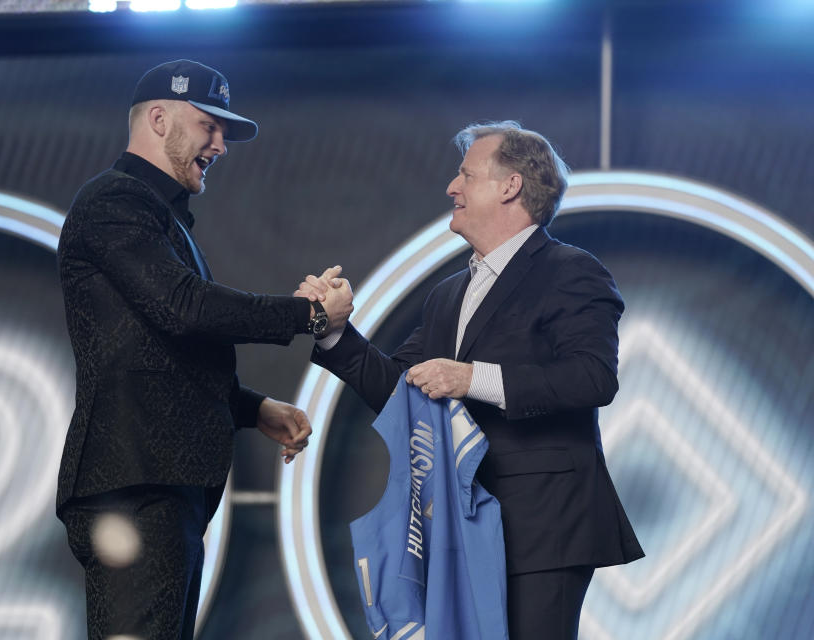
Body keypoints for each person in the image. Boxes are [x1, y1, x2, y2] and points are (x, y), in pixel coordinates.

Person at [297, 121, 644, 640]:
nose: (450, 188)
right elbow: (399, 391)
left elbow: (592, 378)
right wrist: (333, 331)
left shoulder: (572, 271)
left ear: (511, 186)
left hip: (543, 528)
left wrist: (471, 378)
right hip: (455, 528)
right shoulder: (448, 293)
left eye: (465, 174)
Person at [55, 59, 350, 640]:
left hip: (161, 488)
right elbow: (186, 309)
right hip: (137, 486)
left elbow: (158, 350)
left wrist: (252, 408)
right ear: (159, 119)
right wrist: (310, 314)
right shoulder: (114, 201)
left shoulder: (161, 217)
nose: (220, 144)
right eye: (208, 126)